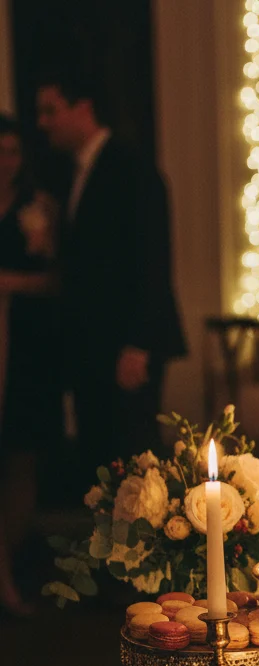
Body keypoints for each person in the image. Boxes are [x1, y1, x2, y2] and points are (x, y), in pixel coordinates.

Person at [35, 66, 185, 484]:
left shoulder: (130, 167)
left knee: (134, 465)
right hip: (90, 347)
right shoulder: (72, 174)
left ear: (83, 107)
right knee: (99, 463)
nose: (42, 122)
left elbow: (152, 258)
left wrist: (138, 344)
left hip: (125, 347)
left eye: (51, 110)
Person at [0, 116, 58, 614]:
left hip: (23, 351)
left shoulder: (35, 209)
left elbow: (56, 280)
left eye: (12, 152)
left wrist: (10, 284)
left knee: (21, 458)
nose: (5, 162)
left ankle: (9, 564)